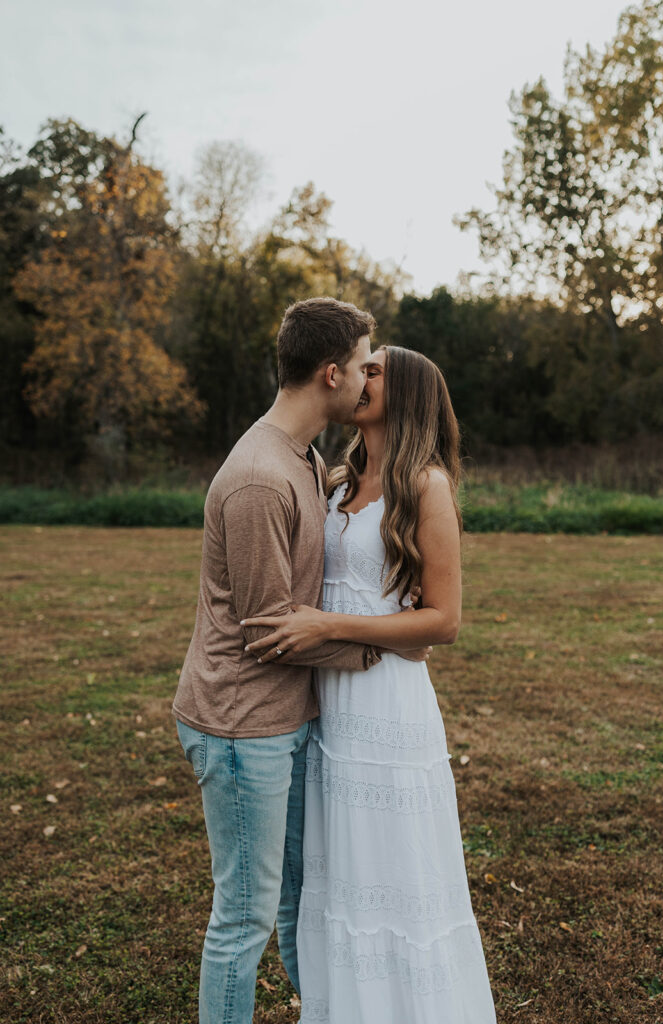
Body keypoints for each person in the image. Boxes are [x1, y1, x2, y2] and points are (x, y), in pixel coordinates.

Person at [172, 299, 428, 1024]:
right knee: (244, 917)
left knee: (297, 901)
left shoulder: (306, 460)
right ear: (329, 373)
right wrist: (380, 642)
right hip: (240, 726)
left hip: (282, 719)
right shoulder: (260, 476)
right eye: (362, 363)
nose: (368, 376)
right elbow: (266, 630)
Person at [242, 345, 498, 1023]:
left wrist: (327, 625)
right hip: (328, 708)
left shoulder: (427, 486)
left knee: (396, 876)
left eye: (375, 370)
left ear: (405, 394)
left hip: (389, 707)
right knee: (343, 880)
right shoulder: (333, 481)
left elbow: (442, 621)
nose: (358, 377)